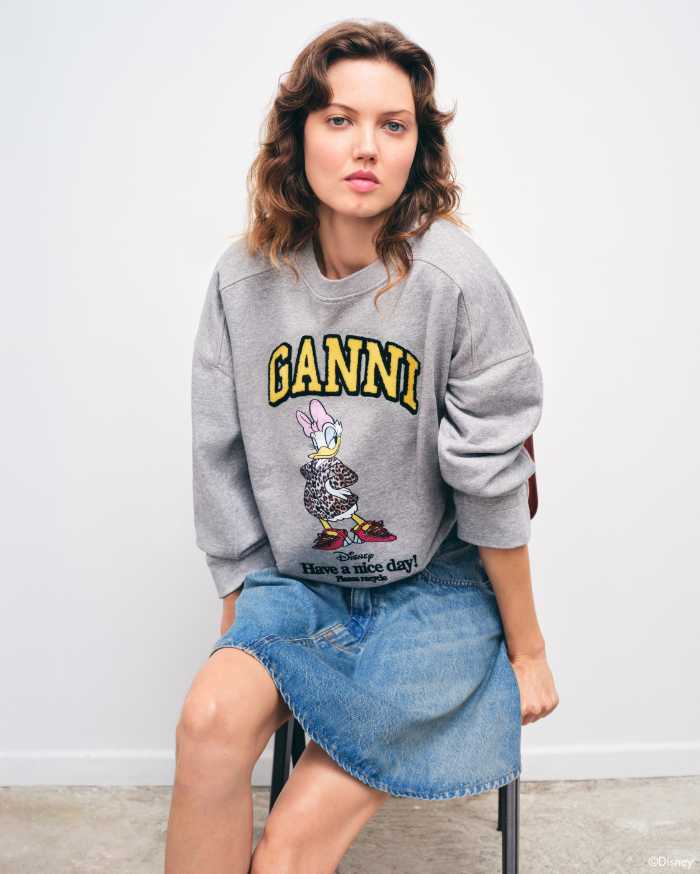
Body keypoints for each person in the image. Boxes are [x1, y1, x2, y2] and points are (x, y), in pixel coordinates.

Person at [164, 19, 559, 874]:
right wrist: (239, 621)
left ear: (420, 147)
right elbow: (218, 454)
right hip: (297, 586)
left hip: (434, 593)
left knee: (288, 854)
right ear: (298, 134)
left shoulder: (457, 281)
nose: (367, 146)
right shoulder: (243, 282)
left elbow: (493, 475)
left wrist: (527, 650)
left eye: (394, 124)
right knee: (207, 721)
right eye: (339, 119)